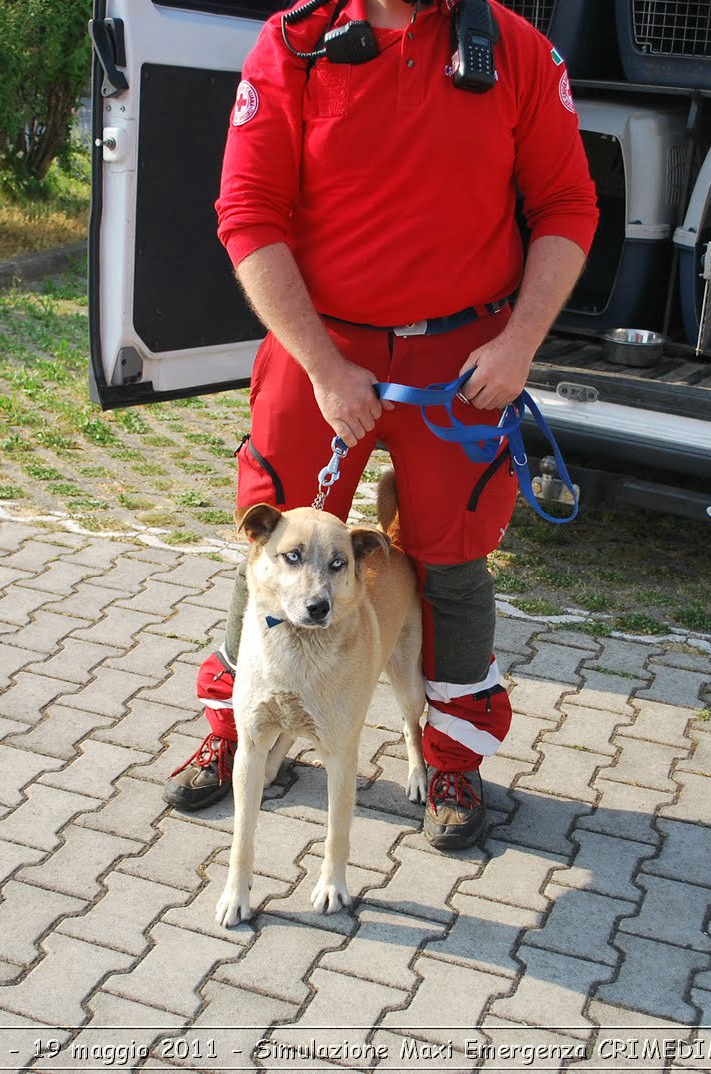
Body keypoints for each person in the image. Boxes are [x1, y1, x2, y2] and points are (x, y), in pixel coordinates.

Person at [162, 0, 597, 851]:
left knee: (454, 561)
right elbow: (247, 212)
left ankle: (450, 757)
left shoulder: (517, 51)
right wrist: (324, 367)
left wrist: (518, 347)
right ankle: (240, 728)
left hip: (466, 359)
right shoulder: (294, 42)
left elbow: (568, 206)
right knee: (274, 546)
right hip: (320, 344)